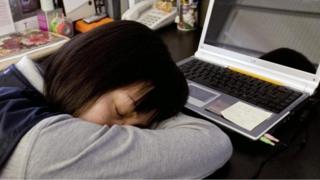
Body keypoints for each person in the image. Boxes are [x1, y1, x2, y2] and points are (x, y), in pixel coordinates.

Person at [0, 21, 232, 178]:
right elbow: (212, 142)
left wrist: (149, 104)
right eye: (120, 111)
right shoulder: (43, 145)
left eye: (138, 129)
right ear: (89, 72)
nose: (122, 134)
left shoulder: (15, 87)